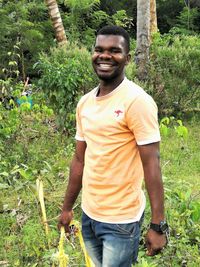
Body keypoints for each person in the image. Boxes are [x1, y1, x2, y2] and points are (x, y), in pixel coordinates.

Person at [58, 25, 168, 267]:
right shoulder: (85, 103)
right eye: (99, 49)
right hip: (89, 215)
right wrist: (67, 208)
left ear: (127, 58)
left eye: (114, 51)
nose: (105, 56)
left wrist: (158, 224)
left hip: (121, 220)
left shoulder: (137, 101)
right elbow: (80, 159)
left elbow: (152, 163)